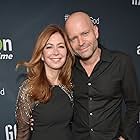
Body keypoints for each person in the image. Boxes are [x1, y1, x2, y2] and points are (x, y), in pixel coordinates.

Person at [65, 11, 139, 140]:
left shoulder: (121, 62)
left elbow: (134, 105)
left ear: (96, 31)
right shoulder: (67, 69)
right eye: (73, 38)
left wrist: (124, 137)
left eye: (85, 33)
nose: (81, 42)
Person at [15, 24, 74, 140]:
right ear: (41, 55)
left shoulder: (71, 85)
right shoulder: (29, 88)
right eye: (49, 47)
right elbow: (22, 134)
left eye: (61, 46)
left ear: (67, 52)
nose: (56, 52)